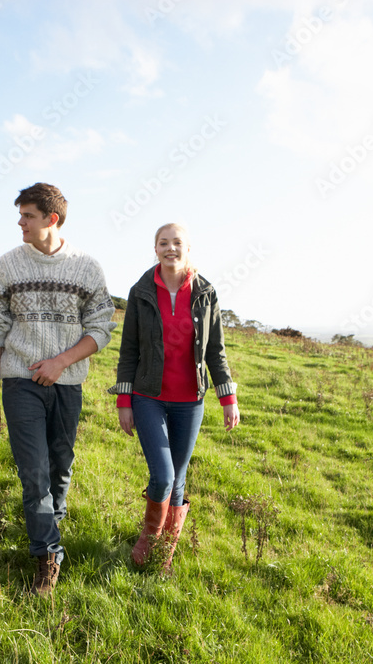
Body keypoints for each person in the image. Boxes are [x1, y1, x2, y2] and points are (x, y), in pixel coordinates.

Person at [0, 182, 116, 596]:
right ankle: (46, 557)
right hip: (20, 382)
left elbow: (100, 328)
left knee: (60, 468)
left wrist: (60, 363)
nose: (20, 223)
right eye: (20, 216)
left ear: (51, 219)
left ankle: (50, 545)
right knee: (34, 471)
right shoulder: (6, 267)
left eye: (28, 216)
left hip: (68, 384)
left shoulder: (87, 268)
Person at [113, 222, 239, 571]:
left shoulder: (205, 292)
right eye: (163, 243)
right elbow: (129, 351)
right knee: (165, 476)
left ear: (188, 248)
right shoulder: (141, 291)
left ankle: (164, 555)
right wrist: (124, 401)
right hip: (148, 396)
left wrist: (228, 398)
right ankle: (147, 542)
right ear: (155, 249)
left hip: (190, 400)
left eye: (177, 242)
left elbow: (216, 351)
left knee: (179, 479)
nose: (171, 248)